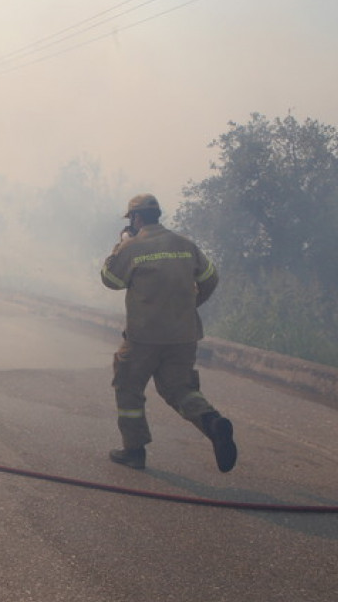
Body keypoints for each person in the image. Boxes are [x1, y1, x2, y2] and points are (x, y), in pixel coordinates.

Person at [99, 193, 236, 473]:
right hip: (184, 335)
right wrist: (190, 305)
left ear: (136, 219)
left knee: (128, 387)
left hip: (144, 338)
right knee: (180, 389)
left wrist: (121, 244)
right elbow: (211, 278)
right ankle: (212, 422)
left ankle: (134, 450)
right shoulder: (185, 244)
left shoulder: (133, 246)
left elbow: (110, 279)